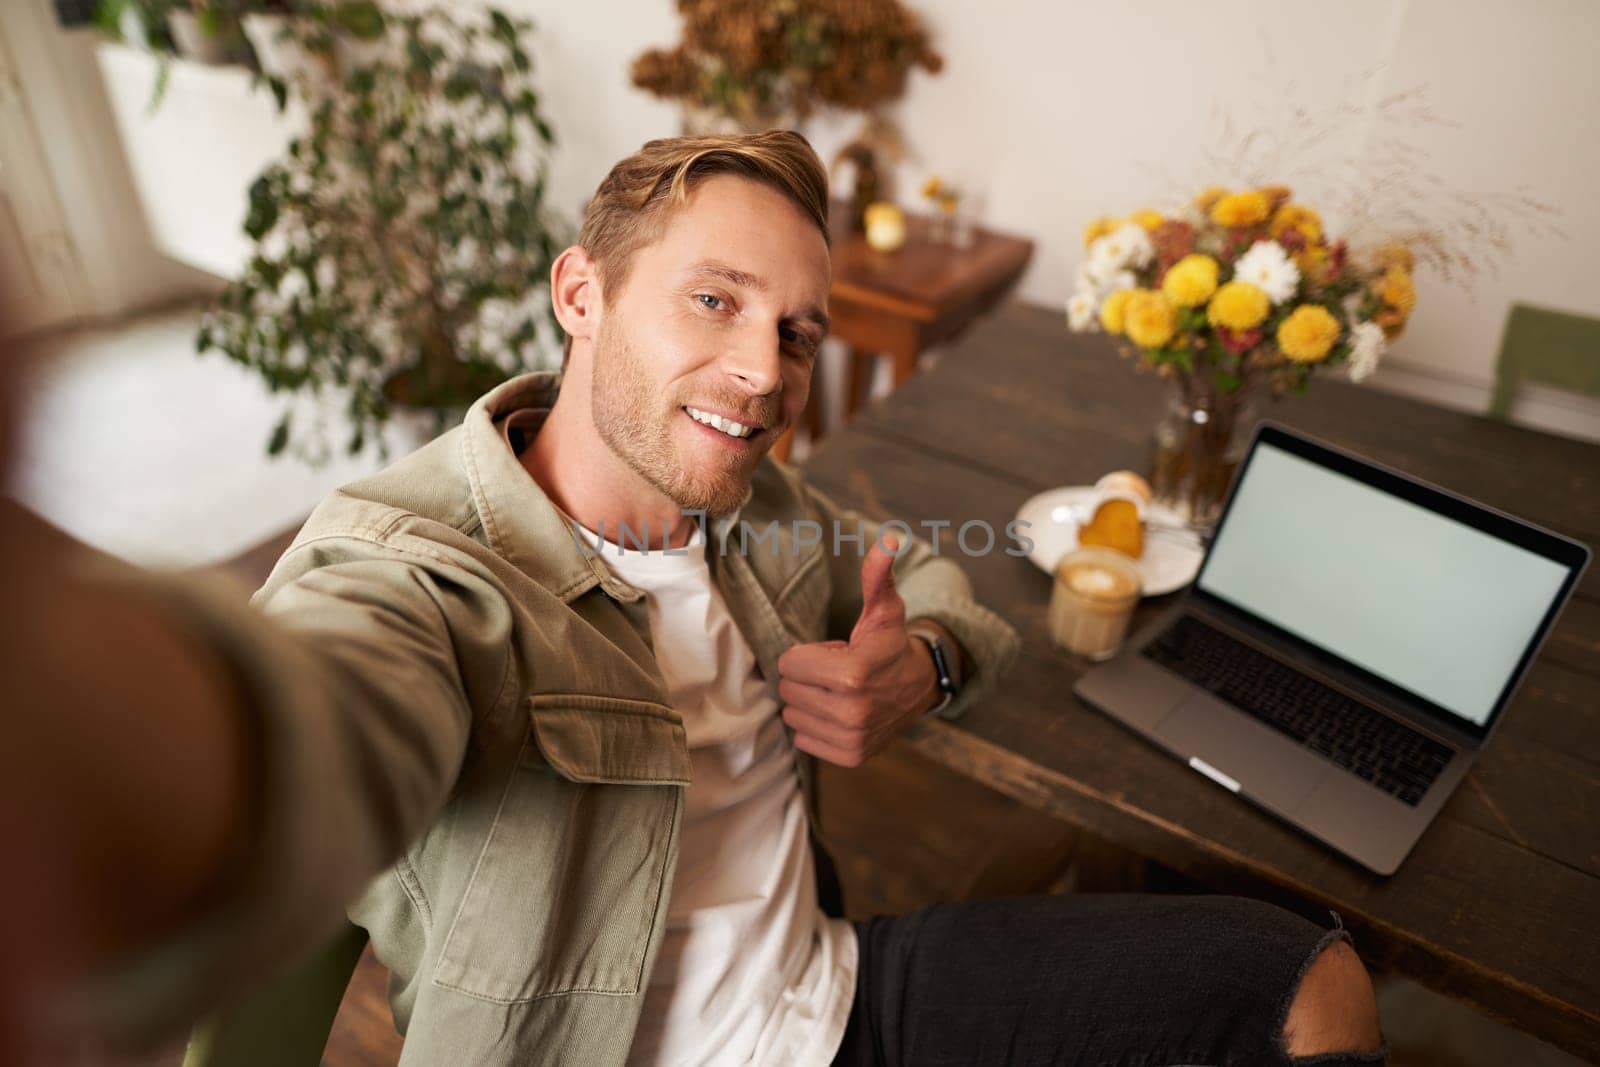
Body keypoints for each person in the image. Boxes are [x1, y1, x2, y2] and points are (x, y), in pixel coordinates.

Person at [1, 131, 1387, 1065]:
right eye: (714, 302)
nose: (765, 373)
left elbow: (951, 584)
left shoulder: (758, 511)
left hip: (842, 1001)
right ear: (581, 294)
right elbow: (331, 710)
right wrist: (109, 728)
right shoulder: (428, 573)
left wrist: (932, 670)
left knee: (1310, 984)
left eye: (792, 331)